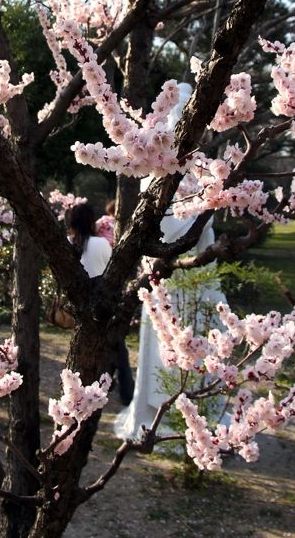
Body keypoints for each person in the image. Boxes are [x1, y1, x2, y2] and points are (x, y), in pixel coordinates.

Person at [114, 83, 226, 442]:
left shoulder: (200, 175)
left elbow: (199, 233)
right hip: (167, 281)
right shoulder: (158, 176)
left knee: (187, 346)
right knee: (168, 345)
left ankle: (188, 417)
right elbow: (158, 231)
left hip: (187, 279)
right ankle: (164, 415)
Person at [65, 202, 135, 406]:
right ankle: (126, 393)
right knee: (118, 349)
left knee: (89, 350)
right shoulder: (102, 244)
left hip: (78, 307)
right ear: (91, 222)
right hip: (104, 305)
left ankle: (100, 386)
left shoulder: (66, 244)